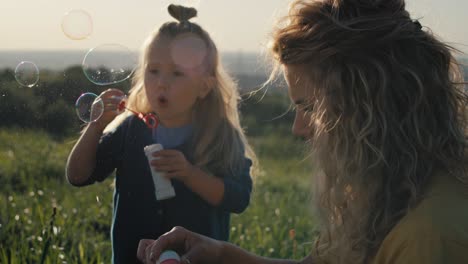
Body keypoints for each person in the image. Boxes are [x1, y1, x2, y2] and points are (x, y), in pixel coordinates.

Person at [136, 0, 468, 263]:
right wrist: (223, 255)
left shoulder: (429, 237)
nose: (298, 128)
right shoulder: (385, 192)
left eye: (310, 108)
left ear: (371, 112)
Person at [66, 4, 256, 264]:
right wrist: (95, 126)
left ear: (204, 86)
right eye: (153, 70)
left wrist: (190, 174)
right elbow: (78, 176)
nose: (161, 82)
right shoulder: (131, 129)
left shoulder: (220, 135)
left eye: (177, 73)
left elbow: (238, 198)